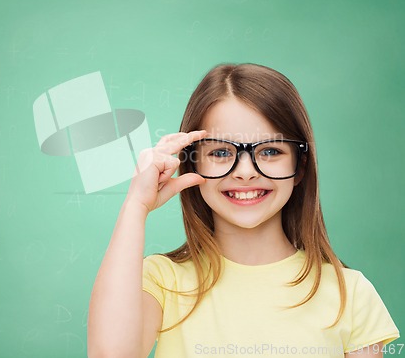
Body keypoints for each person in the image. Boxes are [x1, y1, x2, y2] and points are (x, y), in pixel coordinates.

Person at [87, 63, 400, 358]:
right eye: (222, 152)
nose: (246, 171)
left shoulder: (350, 292)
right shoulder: (161, 280)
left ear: (299, 167)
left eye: (270, 151)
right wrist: (135, 206)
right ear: (192, 163)